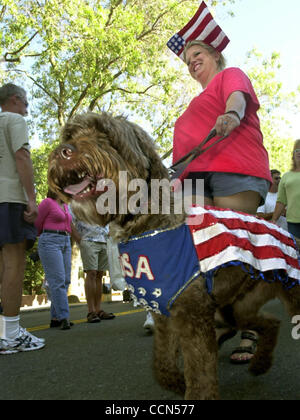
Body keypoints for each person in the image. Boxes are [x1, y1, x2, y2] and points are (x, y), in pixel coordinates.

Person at [168, 5, 272, 364]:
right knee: (201, 253)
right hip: (194, 180)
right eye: (187, 60)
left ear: (215, 54)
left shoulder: (231, 76)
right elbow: (181, 158)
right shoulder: (190, 107)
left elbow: (238, 99)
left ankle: (249, 328)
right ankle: (218, 321)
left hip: (235, 166)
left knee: (233, 247)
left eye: (197, 54)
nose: (191, 61)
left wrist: (232, 113)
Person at [0, 83, 45, 354]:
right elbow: (21, 155)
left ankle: (5, 331)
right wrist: (31, 198)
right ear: (15, 99)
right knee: (13, 265)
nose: (27, 108)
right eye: (26, 102)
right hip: (10, 198)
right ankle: (13, 334)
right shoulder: (14, 119)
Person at [35, 190, 73, 330]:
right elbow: (37, 223)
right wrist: (43, 239)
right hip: (50, 240)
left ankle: (55, 318)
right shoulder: (47, 203)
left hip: (65, 240)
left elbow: (68, 224)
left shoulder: (65, 205)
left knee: (66, 280)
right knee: (57, 280)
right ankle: (64, 317)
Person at [69, 206, 115, 323]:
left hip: (103, 240)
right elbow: (69, 220)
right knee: (91, 273)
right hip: (88, 240)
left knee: (100, 274)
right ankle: (91, 311)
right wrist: (79, 239)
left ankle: (98, 310)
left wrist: (109, 231)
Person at [272, 140, 300, 238]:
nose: (299, 152)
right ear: (293, 155)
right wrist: (274, 220)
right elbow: (281, 201)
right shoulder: (286, 176)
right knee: (294, 251)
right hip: (293, 223)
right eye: (296, 150)